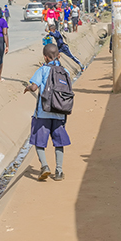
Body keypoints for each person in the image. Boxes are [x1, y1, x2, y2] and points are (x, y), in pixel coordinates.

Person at [23, 43, 71, 181]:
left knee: (39, 142)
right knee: (59, 142)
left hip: (43, 112)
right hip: (60, 112)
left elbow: (34, 87)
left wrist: (28, 87)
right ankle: (59, 171)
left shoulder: (42, 70)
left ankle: (44, 166)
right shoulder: (65, 71)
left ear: (45, 57)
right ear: (59, 55)